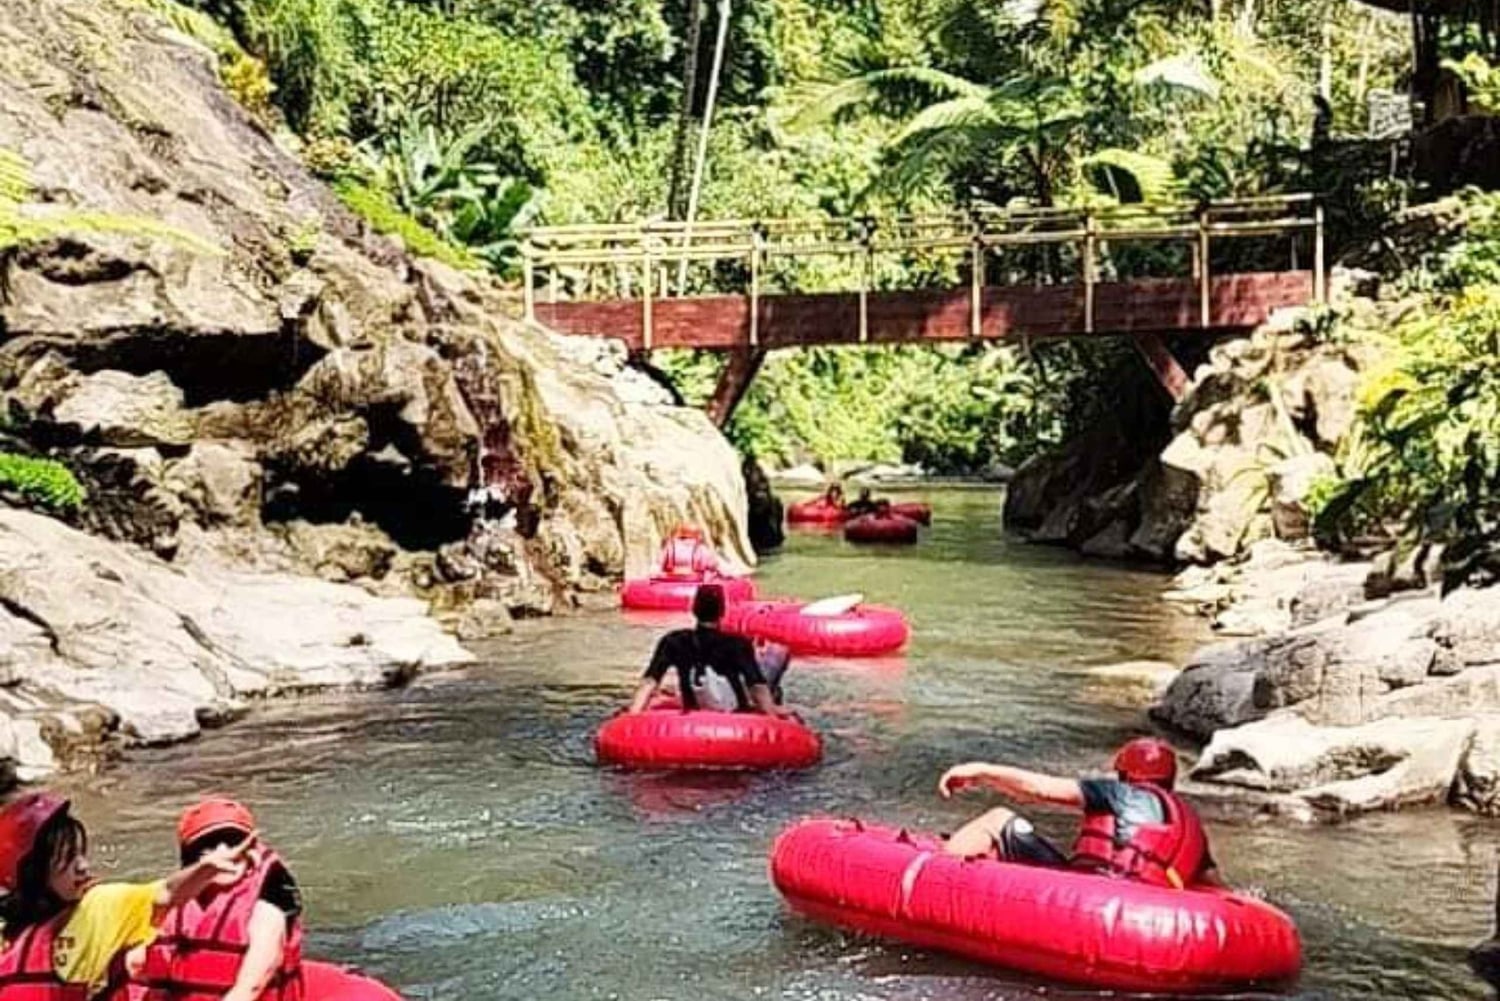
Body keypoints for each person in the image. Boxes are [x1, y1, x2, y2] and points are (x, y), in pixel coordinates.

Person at [0, 792, 253, 1001]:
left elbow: (167, 893)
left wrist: (204, 869)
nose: (83, 867)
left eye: (81, 855)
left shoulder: (101, 906)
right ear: (33, 872)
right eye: (67, 859)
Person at [938, 737, 1224, 889]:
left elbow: (1038, 789)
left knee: (997, 819)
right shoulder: (1187, 817)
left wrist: (981, 771)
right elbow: (1212, 881)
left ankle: (934, 876)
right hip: (1144, 899)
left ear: (1124, 772)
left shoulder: (1117, 793)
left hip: (1094, 891)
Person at [130, 799, 303, 1001]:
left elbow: (250, 988)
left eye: (233, 842)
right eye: (209, 845)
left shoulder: (266, 908)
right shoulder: (177, 903)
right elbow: (137, 965)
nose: (225, 853)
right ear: (192, 859)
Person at [629, 584, 792, 717]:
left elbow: (650, 682)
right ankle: (774, 696)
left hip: (693, 707)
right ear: (722, 611)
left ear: (694, 609)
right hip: (733, 712)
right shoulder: (736, 644)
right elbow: (757, 686)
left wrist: (632, 715)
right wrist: (772, 716)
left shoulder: (673, 641)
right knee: (777, 653)